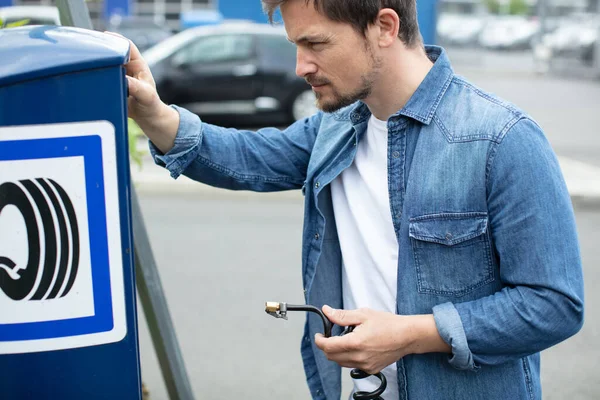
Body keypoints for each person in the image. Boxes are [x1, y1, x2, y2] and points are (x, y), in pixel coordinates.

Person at [118, 0, 584, 398]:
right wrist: (154, 114)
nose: (300, 66)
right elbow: (250, 157)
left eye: (315, 44)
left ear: (384, 27)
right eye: (295, 46)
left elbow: (554, 304)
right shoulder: (335, 127)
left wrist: (414, 335)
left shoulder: (502, 139)